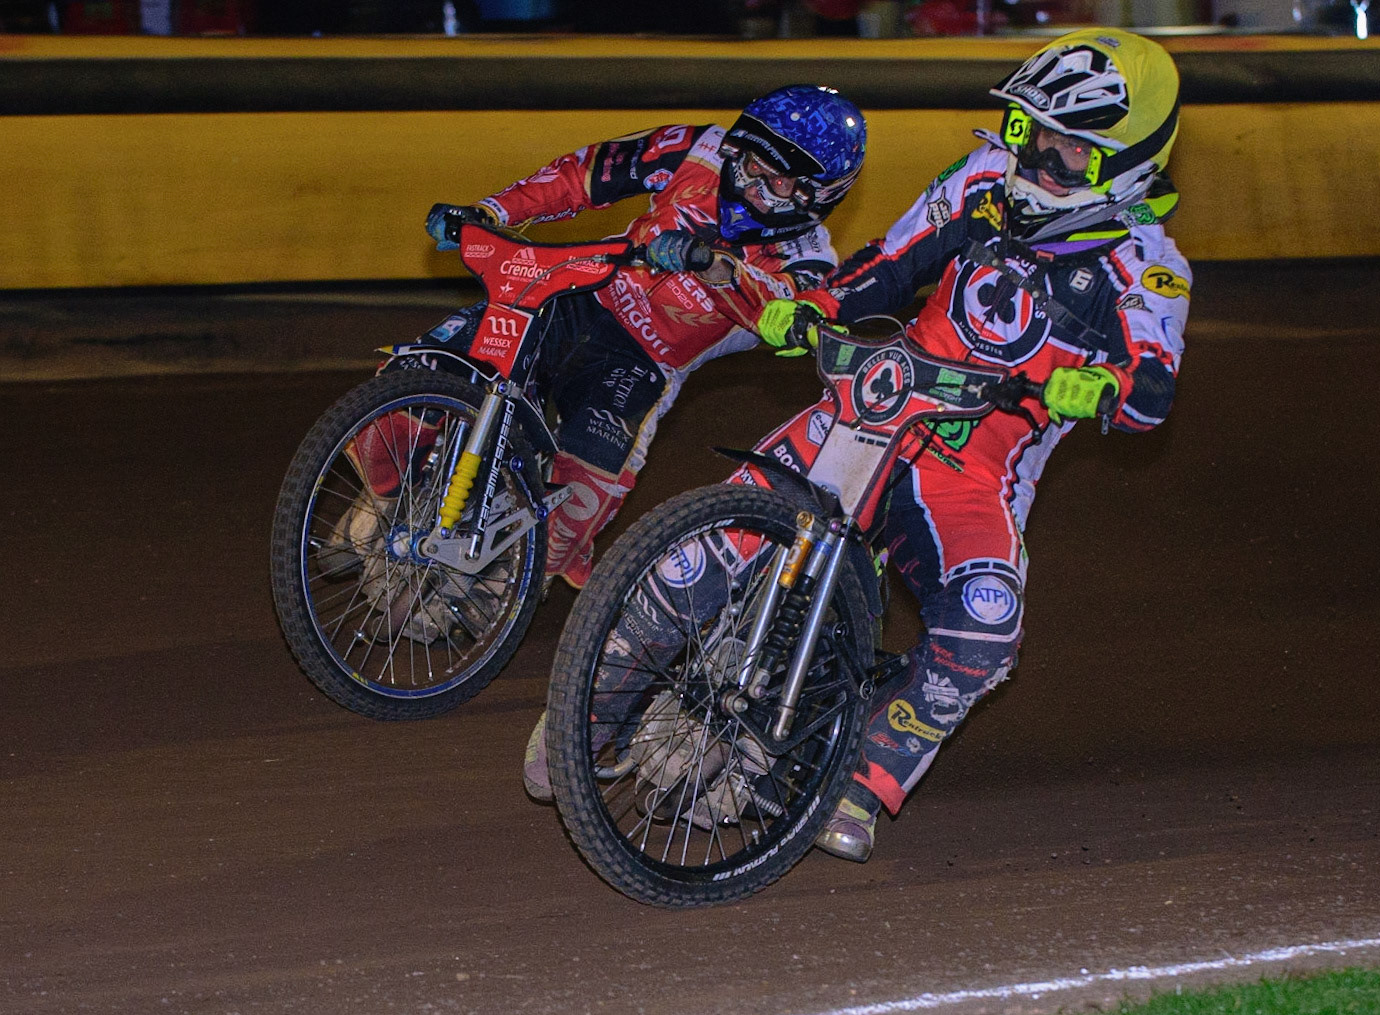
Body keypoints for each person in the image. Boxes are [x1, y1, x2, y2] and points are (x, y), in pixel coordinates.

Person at [747, 28, 1190, 860]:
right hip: (875, 405)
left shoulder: (1148, 266)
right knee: (734, 520)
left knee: (988, 624)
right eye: (1033, 134)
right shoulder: (984, 178)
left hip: (973, 469)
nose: (1041, 162)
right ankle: (605, 684)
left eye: (1071, 154)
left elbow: (1154, 387)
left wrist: (1106, 388)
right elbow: (889, 262)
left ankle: (865, 781)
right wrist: (816, 307)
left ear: (1126, 166)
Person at [423, 85, 866, 593]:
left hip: (641, 364)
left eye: (777, 181)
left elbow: (786, 315)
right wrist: (491, 213)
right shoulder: (701, 147)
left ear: (819, 194)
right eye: (748, 163)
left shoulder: (812, 259)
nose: (748, 185)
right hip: (569, 295)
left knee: (572, 516)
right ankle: (380, 497)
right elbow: (585, 173)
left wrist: (721, 269)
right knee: (421, 371)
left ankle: (499, 584)